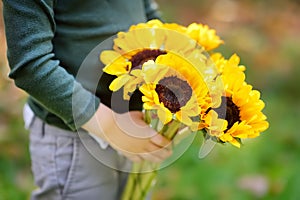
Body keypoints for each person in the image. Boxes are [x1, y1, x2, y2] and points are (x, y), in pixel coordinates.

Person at [2, 0, 172, 199]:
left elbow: (147, 15)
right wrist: (111, 127)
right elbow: (31, 66)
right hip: (73, 138)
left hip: (134, 125)